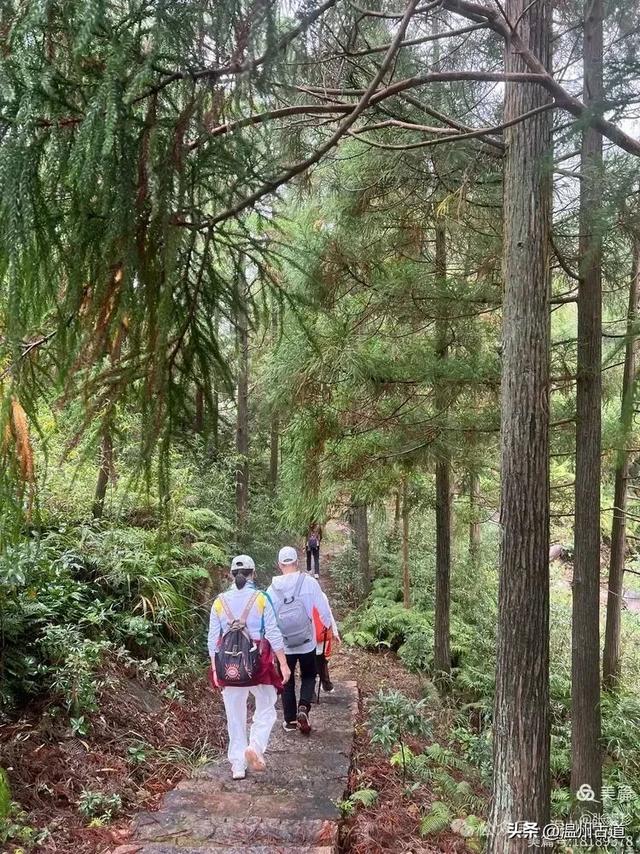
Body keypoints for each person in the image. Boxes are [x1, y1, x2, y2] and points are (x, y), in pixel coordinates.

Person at [208, 555, 291, 780]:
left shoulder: (219, 602)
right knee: (266, 705)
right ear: (253, 574)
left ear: (231, 574)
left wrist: (215, 669)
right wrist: (283, 663)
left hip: (228, 665)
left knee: (234, 715)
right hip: (257, 662)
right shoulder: (261, 598)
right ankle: (255, 746)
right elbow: (272, 632)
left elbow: (212, 639)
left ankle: (237, 765)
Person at [267, 546, 332, 734]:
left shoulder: (271, 590)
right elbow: (322, 609)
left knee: (286, 679)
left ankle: (289, 721)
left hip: (285, 644)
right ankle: (303, 707)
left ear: (279, 565)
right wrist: (327, 626)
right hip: (307, 642)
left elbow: (269, 620)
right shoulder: (309, 583)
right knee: (309, 675)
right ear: (297, 562)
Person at [313, 588, 340, 694]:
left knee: (313, 660)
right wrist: (334, 631)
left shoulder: (298, 596)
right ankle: (326, 684)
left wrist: (335, 631)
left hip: (310, 635)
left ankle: (312, 691)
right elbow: (328, 614)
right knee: (321, 659)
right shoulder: (321, 595)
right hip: (320, 633)